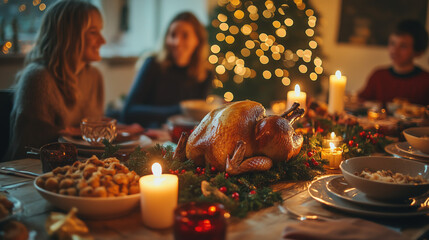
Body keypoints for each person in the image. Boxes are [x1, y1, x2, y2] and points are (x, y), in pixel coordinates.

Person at [4, 0, 106, 161]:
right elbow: (30, 149)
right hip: (31, 171)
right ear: (69, 36)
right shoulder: (38, 78)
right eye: (93, 32)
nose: (102, 40)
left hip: (79, 165)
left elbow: (94, 138)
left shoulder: (94, 76)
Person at [121, 12, 213, 128]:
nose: (177, 42)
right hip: (150, 135)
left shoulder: (205, 74)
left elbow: (199, 121)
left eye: (185, 36)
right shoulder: (153, 64)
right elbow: (128, 112)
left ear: (198, 41)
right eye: (172, 35)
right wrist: (179, 109)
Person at [358, 19, 429, 106]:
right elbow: (360, 102)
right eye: (392, 43)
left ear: (417, 52)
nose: (395, 51)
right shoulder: (378, 76)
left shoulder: (425, 81)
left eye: (403, 46)